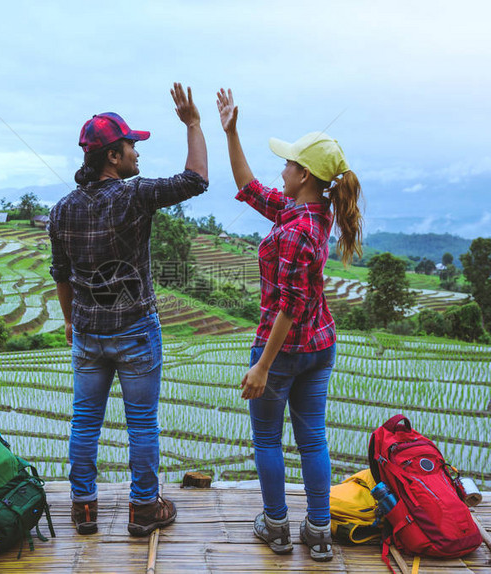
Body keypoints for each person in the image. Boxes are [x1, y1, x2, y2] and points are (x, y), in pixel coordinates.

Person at [49, 83, 208, 537]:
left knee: (85, 421)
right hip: (136, 327)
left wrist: (69, 322)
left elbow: (62, 276)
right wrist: (194, 124)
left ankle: (83, 510)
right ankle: (143, 510)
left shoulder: (62, 211)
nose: (137, 151)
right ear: (112, 157)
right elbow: (196, 179)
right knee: (141, 423)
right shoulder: (134, 196)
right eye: (131, 145)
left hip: (87, 332)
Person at [216, 88, 363, 561]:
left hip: (283, 350)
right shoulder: (309, 212)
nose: (281, 170)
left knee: (267, 438)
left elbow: (289, 307)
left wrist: (262, 367)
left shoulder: (298, 228)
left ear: (303, 176)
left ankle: (277, 527)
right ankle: (319, 531)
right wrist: (231, 131)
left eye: (288, 164)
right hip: (319, 345)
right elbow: (249, 185)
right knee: (312, 438)